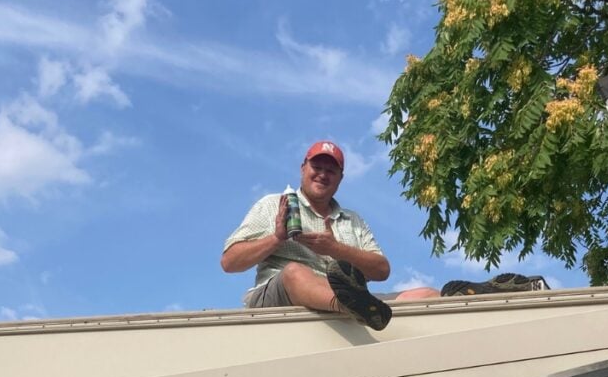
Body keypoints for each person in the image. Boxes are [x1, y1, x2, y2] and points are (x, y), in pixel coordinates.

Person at [221, 141, 546, 331]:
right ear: (303, 167)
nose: (322, 174)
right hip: (281, 298)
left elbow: (381, 270)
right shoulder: (274, 204)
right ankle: (350, 304)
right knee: (294, 272)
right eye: (316, 166)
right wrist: (277, 237)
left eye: (330, 170)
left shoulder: (352, 220)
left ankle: (470, 299)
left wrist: (336, 247)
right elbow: (230, 262)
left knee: (426, 294)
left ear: (340, 178)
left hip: (351, 294)